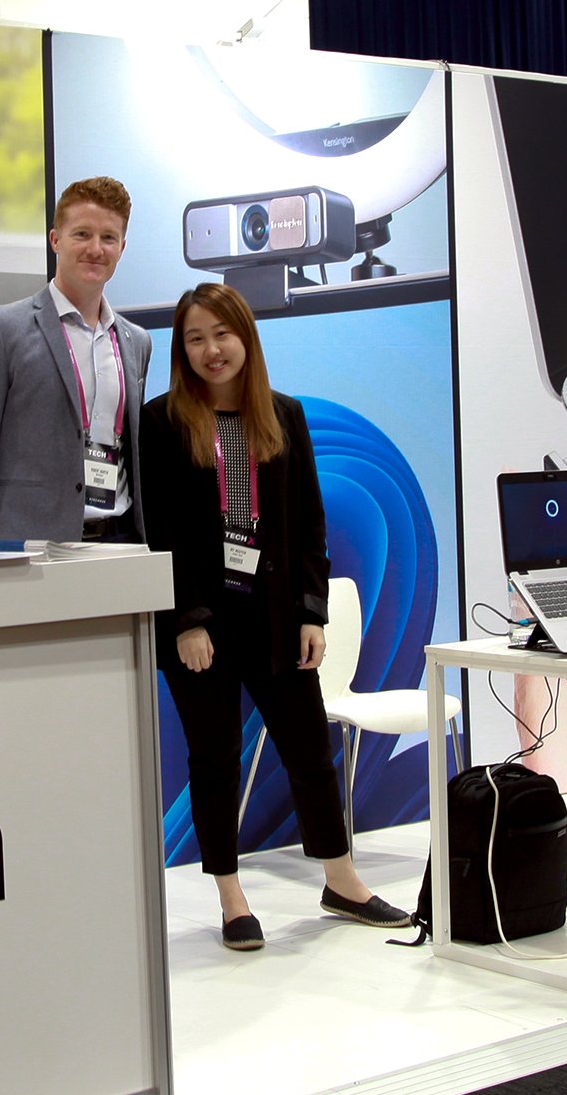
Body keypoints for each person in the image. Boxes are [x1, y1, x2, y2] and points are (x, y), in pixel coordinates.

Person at [141, 282, 409, 951]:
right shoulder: (161, 421)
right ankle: (232, 898)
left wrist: (312, 612)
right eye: (195, 338)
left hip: (274, 616)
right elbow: (160, 530)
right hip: (200, 623)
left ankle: (342, 881)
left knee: (311, 751)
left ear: (245, 339)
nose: (210, 349)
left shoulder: (282, 416)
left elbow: (309, 523)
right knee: (214, 760)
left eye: (221, 334)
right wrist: (186, 621)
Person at [0, 176, 152, 548]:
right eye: (82, 234)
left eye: (108, 238)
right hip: (29, 550)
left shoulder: (137, 342)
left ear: (122, 247)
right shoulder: (0, 330)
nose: (96, 248)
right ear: (55, 239)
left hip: (120, 544)